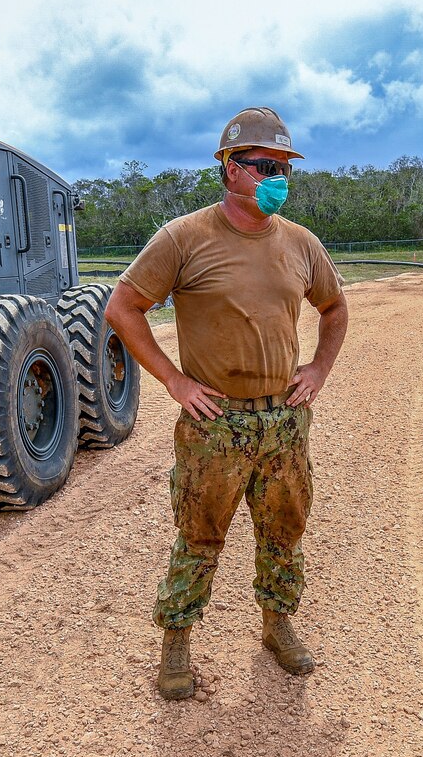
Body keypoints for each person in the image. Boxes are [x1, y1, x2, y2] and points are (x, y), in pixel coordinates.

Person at [104, 107, 348, 701]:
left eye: (286, 167)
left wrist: (317, 368)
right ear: (231, 170)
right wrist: (174, 382)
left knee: (284, 531)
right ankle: (177, 643)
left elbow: (334, 309)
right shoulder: (184, 238)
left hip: (284, 421)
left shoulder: (301, 244)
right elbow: (122, 308)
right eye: (267, 166)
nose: (279, 177)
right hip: (216, 424)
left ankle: (277, 625)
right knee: (199, 534)